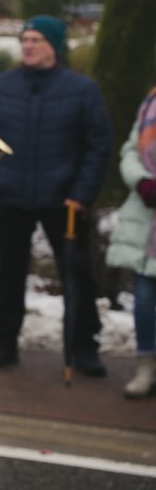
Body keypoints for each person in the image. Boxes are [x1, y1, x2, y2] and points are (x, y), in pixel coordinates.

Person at [0, 15, 112, 375]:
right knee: (9, 272)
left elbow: (98, 146)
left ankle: (83, 347)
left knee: (76, 274)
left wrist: (82, 193)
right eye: (24, 39)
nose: (28, 45)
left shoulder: (82, 90)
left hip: (64, 200)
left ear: (54, 45)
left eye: (36, 39)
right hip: (10, 197)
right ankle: (3, 342)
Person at [106, 85, 156, 398]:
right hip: (146, 217)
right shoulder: (151, 102)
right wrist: (142, 181)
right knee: (143, 300)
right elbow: (130, 150)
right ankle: (146, 366)